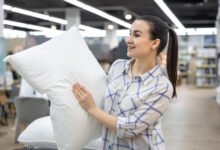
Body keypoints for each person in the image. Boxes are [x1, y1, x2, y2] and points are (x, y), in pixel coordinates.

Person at [72, 15, 178, 150]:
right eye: (129, 34)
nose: (128, 40)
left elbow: (130, 127)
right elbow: (103, 101)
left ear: (155, 43)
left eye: (136, 35)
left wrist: (92, 109)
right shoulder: (117, 67)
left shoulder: (161, 86)